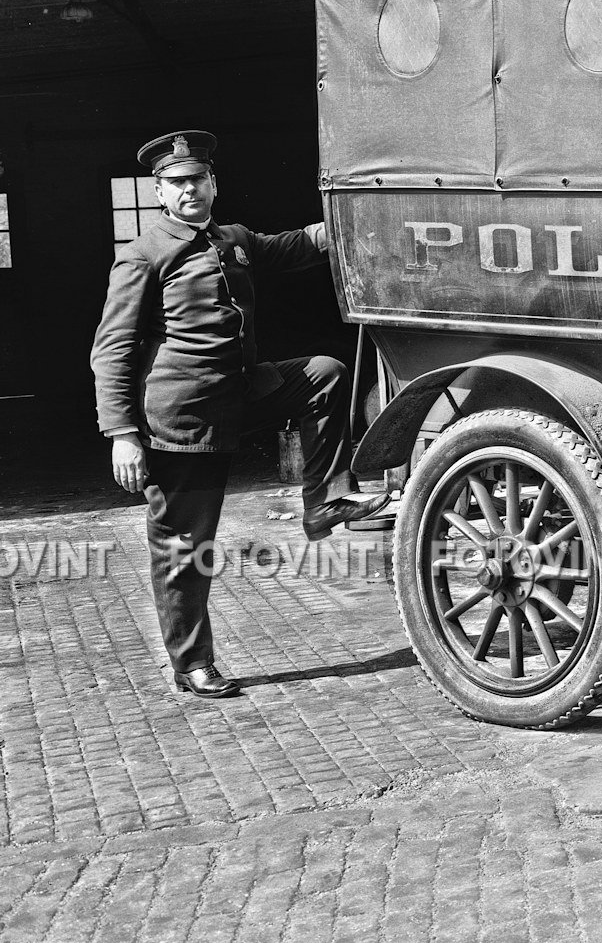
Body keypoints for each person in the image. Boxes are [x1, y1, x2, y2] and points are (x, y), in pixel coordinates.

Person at [91, 130, 389, 698]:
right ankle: (191, 663)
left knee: (324, 373)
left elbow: (299, 244)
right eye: (177, 183)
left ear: (213, 183)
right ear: (159, 192)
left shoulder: (233, 240)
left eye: (198, 179)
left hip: (242, 393)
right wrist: (121, 433)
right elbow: (112, 348)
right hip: (182, 417)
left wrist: (360, 218)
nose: (189, 190)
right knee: (185, 544)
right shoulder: (143, 254)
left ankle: (324, 500)